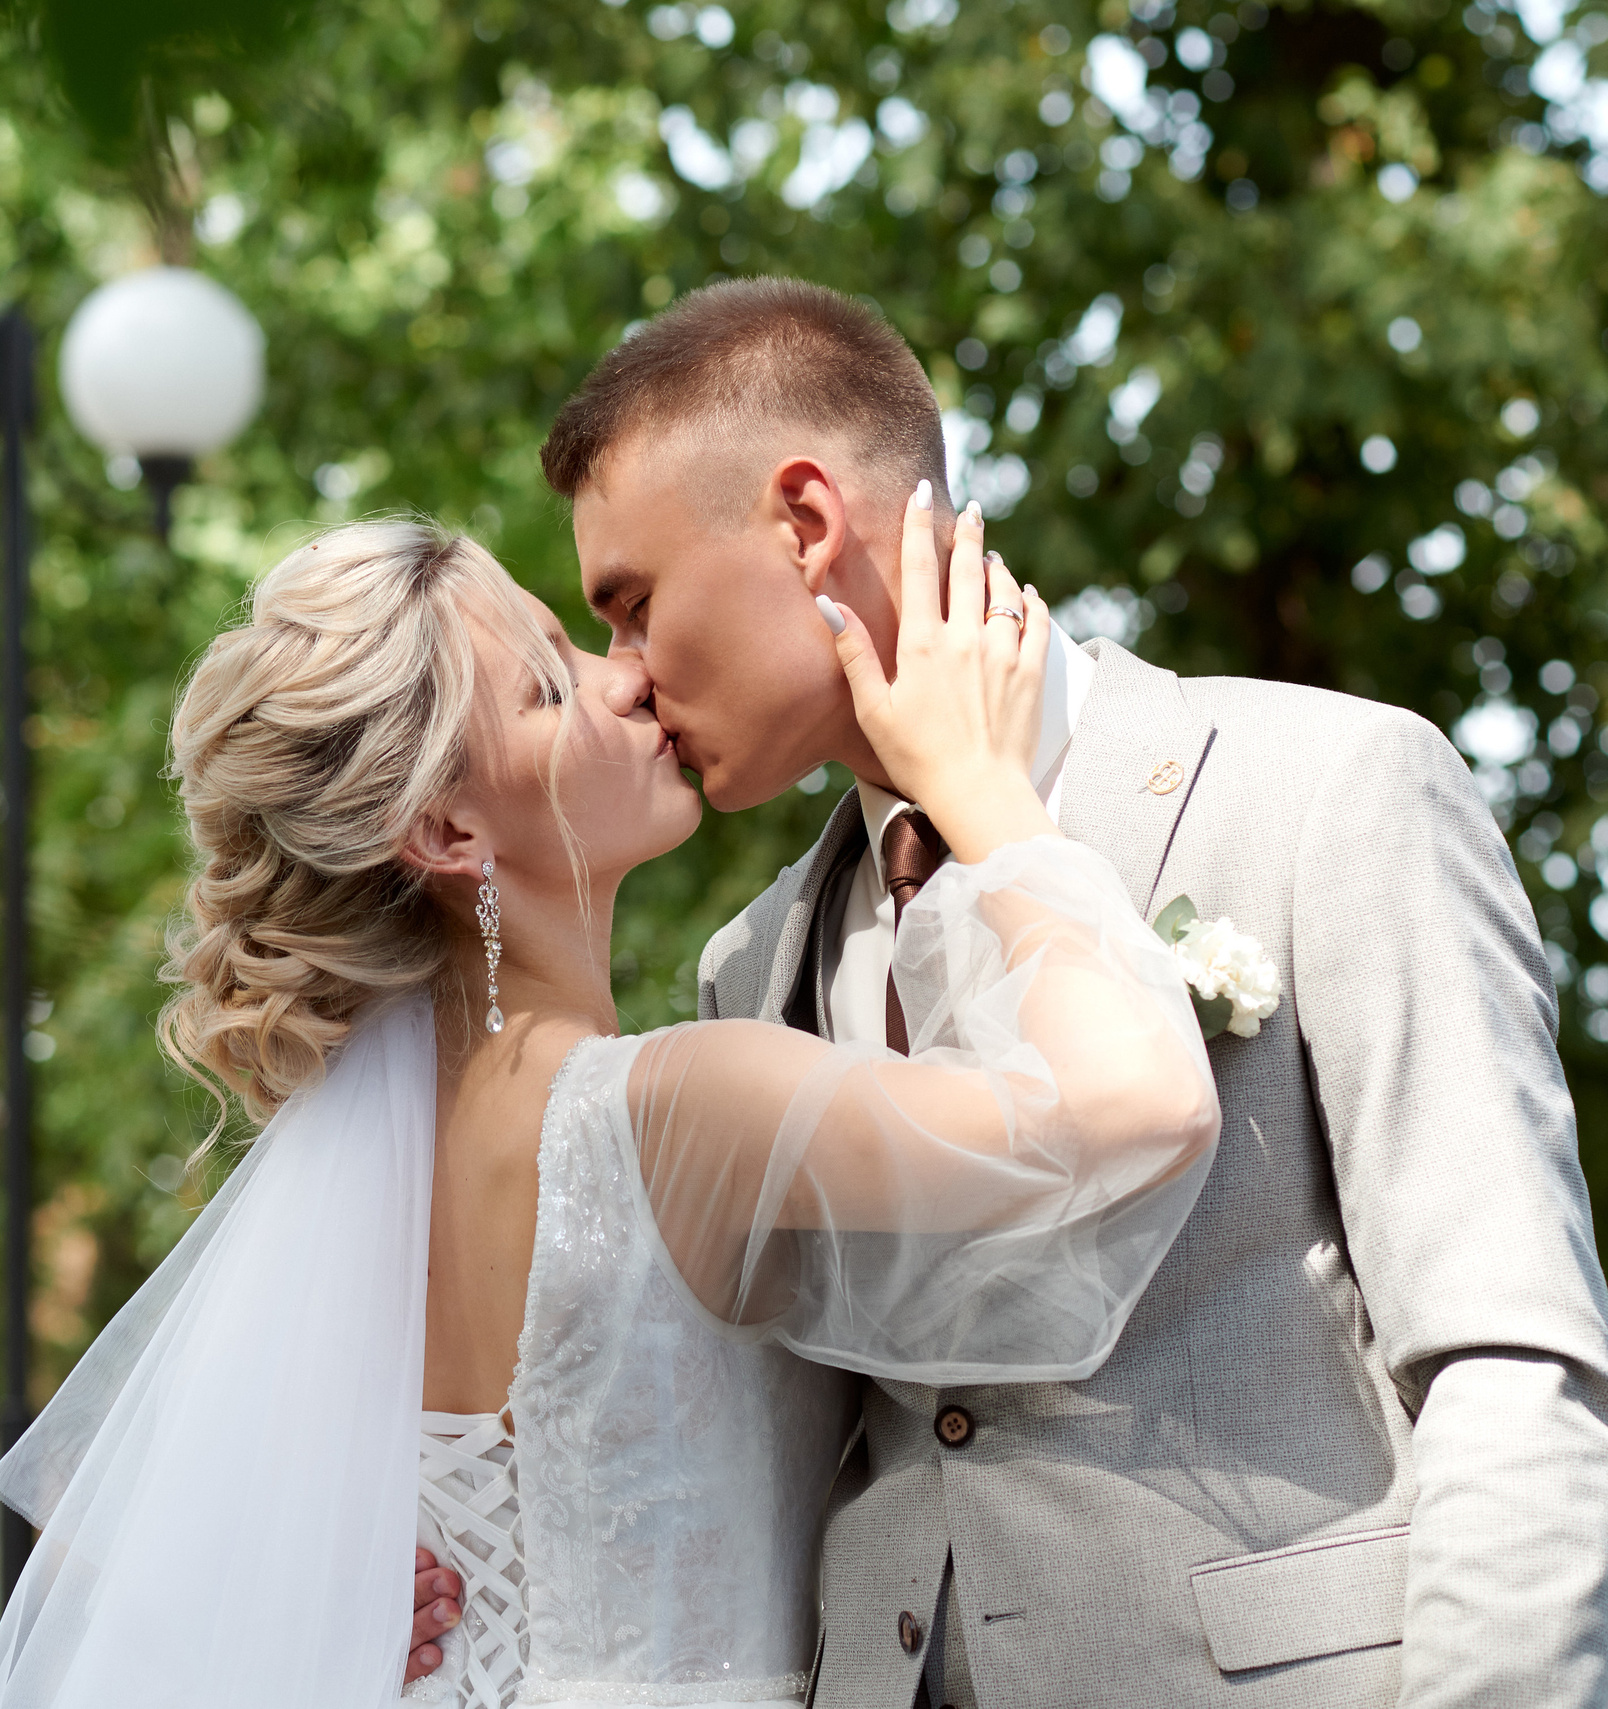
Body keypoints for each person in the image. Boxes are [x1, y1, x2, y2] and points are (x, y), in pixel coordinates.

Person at [468, 275, 1608, 1707]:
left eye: (633, 606)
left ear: (805, 523)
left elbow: (1510, 1355)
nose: (625, 679)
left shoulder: (1329, 789)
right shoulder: (748, 966)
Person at [0, 495, 1221, 1708]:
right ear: (450, 830)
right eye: (549, 684)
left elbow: (107, 1538)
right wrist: (980, 788)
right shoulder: (674, 1106)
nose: (623, 677)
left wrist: (291, 1592)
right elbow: (1126, 1110)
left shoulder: (366, 1164)